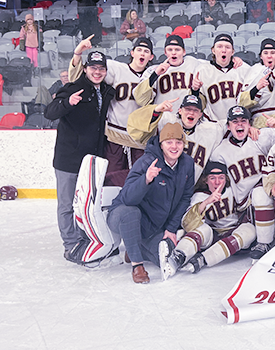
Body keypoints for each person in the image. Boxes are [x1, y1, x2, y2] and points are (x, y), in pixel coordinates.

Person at [44, 51, 113, 263]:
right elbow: (50, 112)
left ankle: (85, 240)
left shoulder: (107, 91)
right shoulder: (73, 88)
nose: (97, 72)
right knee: (66, 205)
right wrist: (68, 103)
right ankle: (70, 244)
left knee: (86, 205)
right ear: (85, 69)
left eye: (101, 69)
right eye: (93, 68)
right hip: (68, 159)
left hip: (90, 161)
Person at [106, 123, 196, 284]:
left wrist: (171, 228)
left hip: (153, 226)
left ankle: (135, 247)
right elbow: (127, 199)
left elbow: (185, 197)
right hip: (122, 217)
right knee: (130, 212)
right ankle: (137, 265)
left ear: (184, 144)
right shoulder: (147, 161)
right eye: (169, 142)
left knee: (165, 258)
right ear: (161, 144)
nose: (174, 146)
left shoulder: (187, 164)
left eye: (178, 142)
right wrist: (145, 179)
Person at [70, 36, 155, 186]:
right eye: (139, 50)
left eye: (146, 51)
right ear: (132, 52)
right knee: (110, 182)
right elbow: (83, 77)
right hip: (115, 139)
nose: (142, 53)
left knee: (140, 182)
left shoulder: (155, 76)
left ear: (151, 56)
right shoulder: (116, 68)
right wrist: (78, 53)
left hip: (140, 141)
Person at [209, 105, 275, 260]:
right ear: (228, 126)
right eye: (235, 121)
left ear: (249, 123)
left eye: (243, 121)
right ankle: (270, 234)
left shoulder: (260, 136)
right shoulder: (219, 152)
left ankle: (265, 242)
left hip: (269, 193)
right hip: (245, 207)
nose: (239, 124)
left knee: (261, 193)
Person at [159, 161, 258, 279]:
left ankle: (203, 260)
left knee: (250, 229)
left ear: (226, 179)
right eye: (212, 178)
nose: (217, 182)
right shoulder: (200, 196)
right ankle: (178, 257)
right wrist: (207, 202)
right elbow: (187, 223)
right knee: (203, 229)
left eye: (221, 178)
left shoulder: (233, 191)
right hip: (213, 236)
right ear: (205, 180)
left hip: (235, 235)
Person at [134, 35, 202, 115]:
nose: (173, 52)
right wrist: (155, 74)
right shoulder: (153, 70)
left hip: (188, 119)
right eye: (170, 50)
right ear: (165, 52)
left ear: (184, 52)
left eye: (177, 49)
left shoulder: (195, 64)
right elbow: (140, 100)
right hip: (164, 119)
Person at [192, 34, 252, 122]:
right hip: (212, 124)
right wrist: (195, 90)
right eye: (219, 47)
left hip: (239, 124)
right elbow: (199, 103)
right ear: (213, 50)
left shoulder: (244, 69)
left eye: (227, 47)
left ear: (232, 52)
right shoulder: (202, 70)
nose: (223, 50)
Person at [239, 38, 275, 127]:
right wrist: (257, 88)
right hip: (260, 123)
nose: (269, 56)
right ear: (261, 56)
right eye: (265, 53)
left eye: (273, 53)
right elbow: (242, 102)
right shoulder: (253, 71)